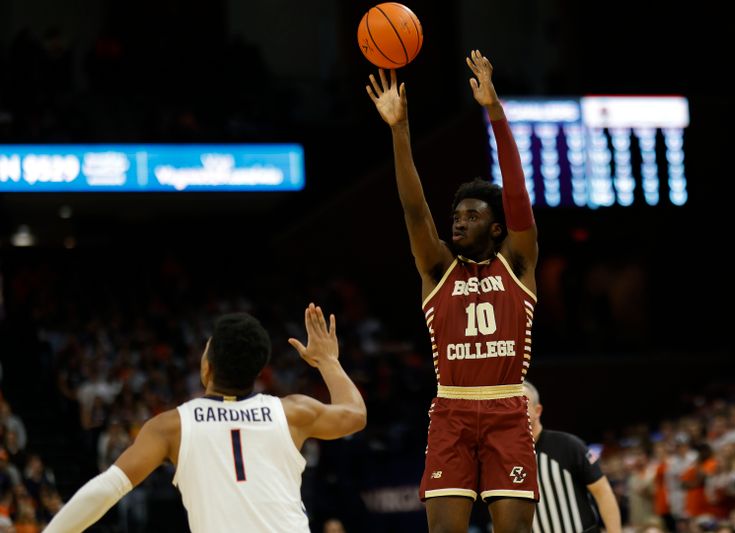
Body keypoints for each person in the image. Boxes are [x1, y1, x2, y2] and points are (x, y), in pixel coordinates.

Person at [367, 49, 539, 532]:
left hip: (508, 408)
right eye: (457, 215)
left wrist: (495, 113)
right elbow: (414, 210)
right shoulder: (438, 268)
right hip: (451, 411)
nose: (458, 221)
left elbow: (519, 198)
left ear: (498, 228)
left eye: (472, 215)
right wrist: (399, 130)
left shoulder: (518, 263)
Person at [43, 304, 367, 533]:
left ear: (207, 366)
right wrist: (327, 361)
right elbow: (355, 415)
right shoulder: (293, 411)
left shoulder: (172, 426)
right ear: (258, 371)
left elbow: (107, 488)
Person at [523, 382, 622, 533]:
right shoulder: (505, 458)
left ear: (538, 410)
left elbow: (603, 493)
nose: (515, 411)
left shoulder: (568, 445)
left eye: (522, 404)